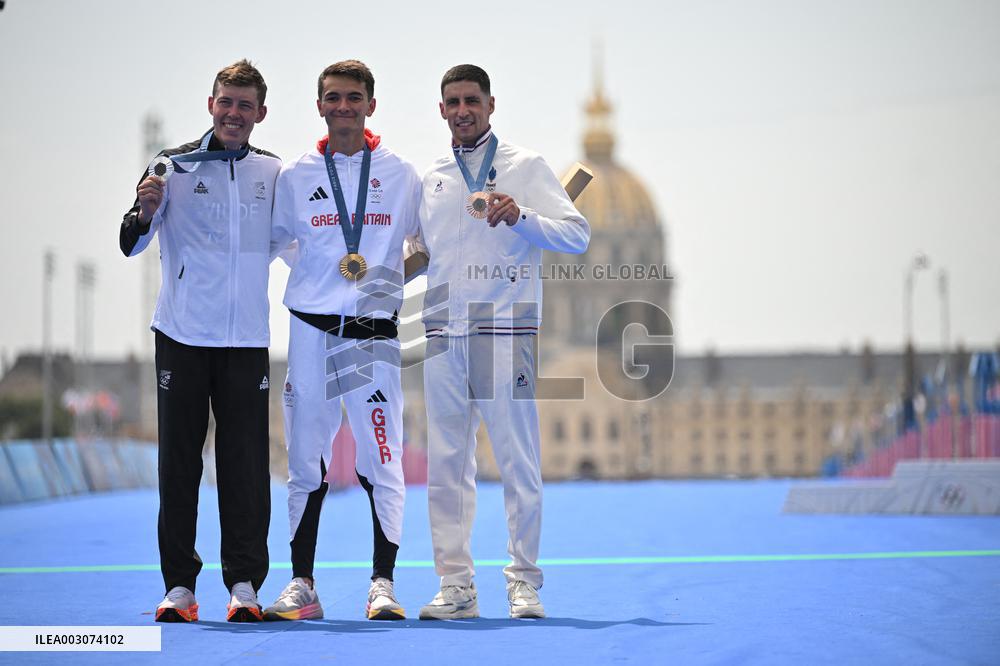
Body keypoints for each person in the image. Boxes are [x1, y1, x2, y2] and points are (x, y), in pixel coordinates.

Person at [416, 64, 590, 620]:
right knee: (446, 464)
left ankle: (523, 581)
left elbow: (577, 233)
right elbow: (422, 253)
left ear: (491, 105)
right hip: (443, 332)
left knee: (518, 459)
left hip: (505, 328)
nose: (463, 110)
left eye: (472, 100)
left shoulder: (526, 166)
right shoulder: (432, 178)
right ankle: (456, 586)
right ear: (441, 110)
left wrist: (523, 217)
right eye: (453, 101)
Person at [119, 59, 280, 623]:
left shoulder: (273, 173)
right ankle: (180, 589)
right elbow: (129, 242)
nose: (235, 114)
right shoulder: (173, 164)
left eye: (245, 105)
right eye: (226, 102)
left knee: (245, 466)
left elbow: (297, 245)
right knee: (179, 465)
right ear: (211, 105)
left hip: (246, 342)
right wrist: (144, 212)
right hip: (183, 337)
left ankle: (243, 585)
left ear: (261, 113)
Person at [264, 60, 421, 621]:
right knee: (307, 460)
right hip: (311, 330)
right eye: (333, 97)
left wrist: (389, 276)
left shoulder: (401, 174)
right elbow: (281, 242)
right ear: (320, 105)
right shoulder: (297, 175)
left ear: (371, 105)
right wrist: (321, 279)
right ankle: (302, 583)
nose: (344, 107)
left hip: (373, 334)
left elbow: (424, 245)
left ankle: (383, 584)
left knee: (383, 455)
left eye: (354, 98)